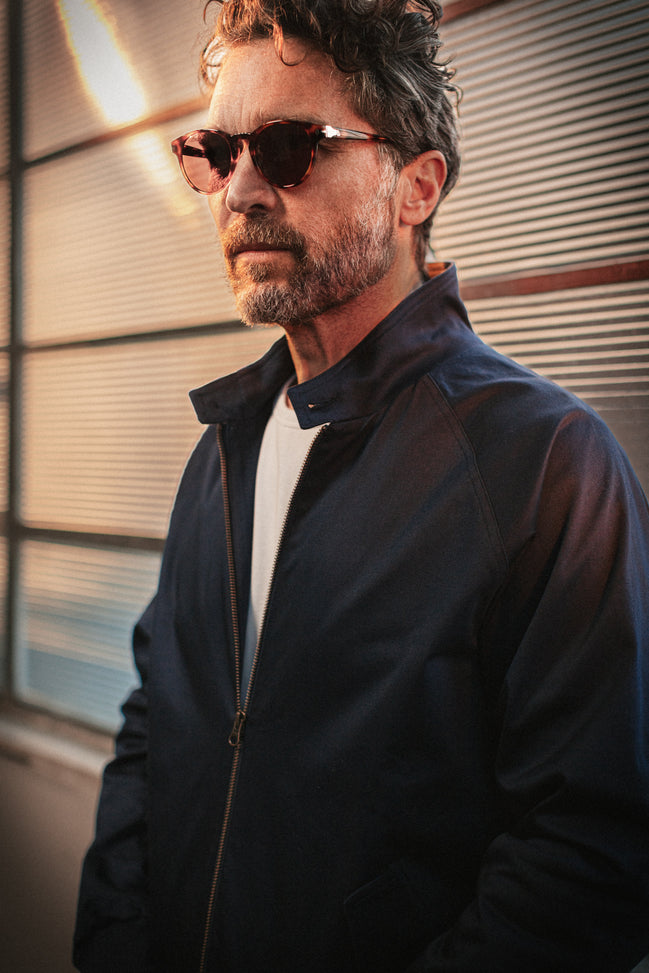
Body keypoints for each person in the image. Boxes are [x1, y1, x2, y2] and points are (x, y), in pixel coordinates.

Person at [73, 1, 649, 971]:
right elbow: (153, 722)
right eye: (217, 151)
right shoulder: (226, 444)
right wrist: (115, 941)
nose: (240, 189)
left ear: (414, 186)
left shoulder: (545, 461)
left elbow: (590, 855)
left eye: (287, 147)